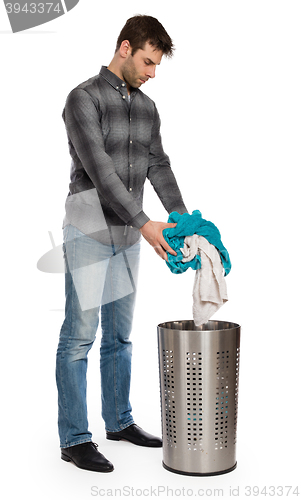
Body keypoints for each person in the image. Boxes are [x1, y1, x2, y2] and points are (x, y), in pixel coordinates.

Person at [56, 14, 188, 473]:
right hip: (90, 230)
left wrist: (181, 217)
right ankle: (74, 439)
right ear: (125, 48)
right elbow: (100, 171)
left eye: (157, 66)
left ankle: (120, 421)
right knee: (78, 338)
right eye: (149, 62)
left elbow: (159, 165)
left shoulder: (148, 108)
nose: (153, 73)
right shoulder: (82, 99)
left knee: (120, 337)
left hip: (130, 237)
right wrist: (147, 223)